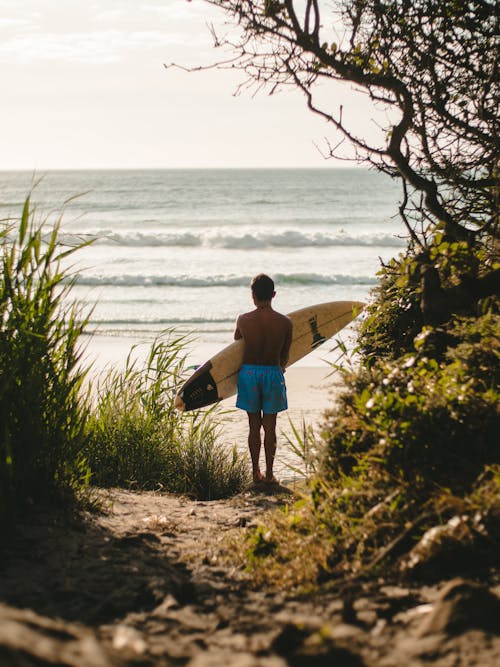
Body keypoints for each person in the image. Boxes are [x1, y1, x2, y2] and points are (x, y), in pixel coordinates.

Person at [234, 274, 292, 484]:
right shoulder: (286, 323)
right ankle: (269, 473)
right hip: (273, 372)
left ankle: (255, 473)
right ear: (274, 294)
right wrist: (279, 369)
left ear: (252, 296)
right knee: (270, 426)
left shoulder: (243, 319)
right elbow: (285, 355)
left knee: (253, 426)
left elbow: (236, 344)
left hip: (248, 374)